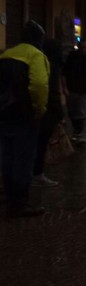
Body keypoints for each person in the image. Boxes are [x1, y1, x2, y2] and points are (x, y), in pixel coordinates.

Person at [0, 20, 50, 217]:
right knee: (23, 158)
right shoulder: (36, 56)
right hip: (24, 115)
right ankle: (20, 203)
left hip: (5, 114)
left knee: (7, 156)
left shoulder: (5, 54)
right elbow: (39, 85)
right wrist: (38, 109)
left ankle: (11, 197)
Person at [32, 38, 64, 187]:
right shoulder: (51, 65)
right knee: (41, 143)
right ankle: (36, 173)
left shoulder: (38, 60)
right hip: (46, 111)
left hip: (35, 110)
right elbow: (52, 90)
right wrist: (59, 112)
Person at [61, 40, 86, 143]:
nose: (83, 50)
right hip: (72, 89)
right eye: (82, 48)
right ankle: (75, 131)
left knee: (81, 112)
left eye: (85, 47)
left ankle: (79, 133)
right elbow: (64, 73)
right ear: (78, 47)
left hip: (84, 90)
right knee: (72, 112)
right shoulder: (71, 57)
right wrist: (65, 88)